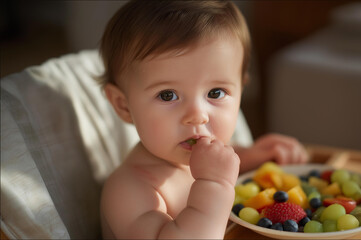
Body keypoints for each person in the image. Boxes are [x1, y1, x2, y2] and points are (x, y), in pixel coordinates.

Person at [99, 1, 308, 239]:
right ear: (123, 105)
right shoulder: (130, 189)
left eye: (215, 93)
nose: (198, 115)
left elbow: (213, 162)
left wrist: (254, 156)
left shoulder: (197, 156)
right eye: (168, 95)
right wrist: (215, 185)